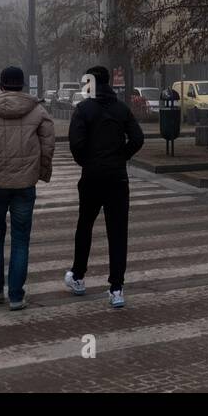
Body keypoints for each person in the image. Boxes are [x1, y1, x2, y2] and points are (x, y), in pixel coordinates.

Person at [0, 65, 54, 311]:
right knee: (21, 240)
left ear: (1, 84)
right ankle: (16, 296)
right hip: (25, 186)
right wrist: (40, 172)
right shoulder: (38, 111)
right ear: (23, 84)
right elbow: (48, 147)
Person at [65, 65, 144, 308]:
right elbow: (138, 138)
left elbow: (75, 144)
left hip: (92, 177)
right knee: (118, 232)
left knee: (85, 225)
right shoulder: (121, 109)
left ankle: (78, 276)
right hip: (118, 178)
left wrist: (88, 162)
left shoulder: (83, 109)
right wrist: (121, 156)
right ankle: (116, 288)